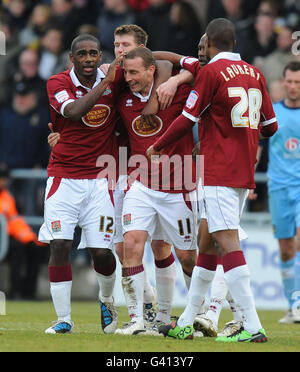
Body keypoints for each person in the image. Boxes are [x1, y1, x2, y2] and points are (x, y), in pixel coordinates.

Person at [147, 18, 278, 342]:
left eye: (203, 44)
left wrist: (158, 144)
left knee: (227, 242)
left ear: (211, 43)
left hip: (218, 171)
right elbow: (271, 127)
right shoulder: (255, 73)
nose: (200, 49)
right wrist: (243, 138)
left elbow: (186, 119)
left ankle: (252, 325)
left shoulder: (211, 73)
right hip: (243, 171)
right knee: (206, 246)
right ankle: (188, 321)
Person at [38, 33, 124, 335]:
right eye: (82, 54)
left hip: (101, 181)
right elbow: (74, 112)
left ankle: (107, 299)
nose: (89, 59)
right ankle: (64, 319)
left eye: (93, 53)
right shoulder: (57, 83)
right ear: (71, 59)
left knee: (101, 251)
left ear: (100, 56)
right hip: (64, 178)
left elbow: (152, 68)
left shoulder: (116, 79)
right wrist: (105, 84)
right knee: (59, 244)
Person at [114, 47, 198, 335]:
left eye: (134, 72)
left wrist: (174, 80)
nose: (129, 78)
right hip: (142, 186)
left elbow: (203, 70)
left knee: (188, 257)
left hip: (179, 188)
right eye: (126, 72)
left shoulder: (177, 91)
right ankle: (138, 319)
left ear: (152, 70)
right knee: (132, 244)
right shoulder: (122, 99)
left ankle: (195, 317)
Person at [266, 61, 300, 324]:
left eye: (298, 82)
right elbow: (254, 146)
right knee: (286, 250)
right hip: (278, 187)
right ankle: (293, 306)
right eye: (289, 81)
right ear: (284, 81)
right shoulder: (273, 114)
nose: (292, 87)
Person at [0, 163, 45, 300]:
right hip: (4, 238)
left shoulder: (7, 197)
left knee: (37, 248)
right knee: (17, 249)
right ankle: (15, 291)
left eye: (3, 178)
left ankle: (29, 292)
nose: (2, 181)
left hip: (7, 236)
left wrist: (29, 238)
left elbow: (14, 221)